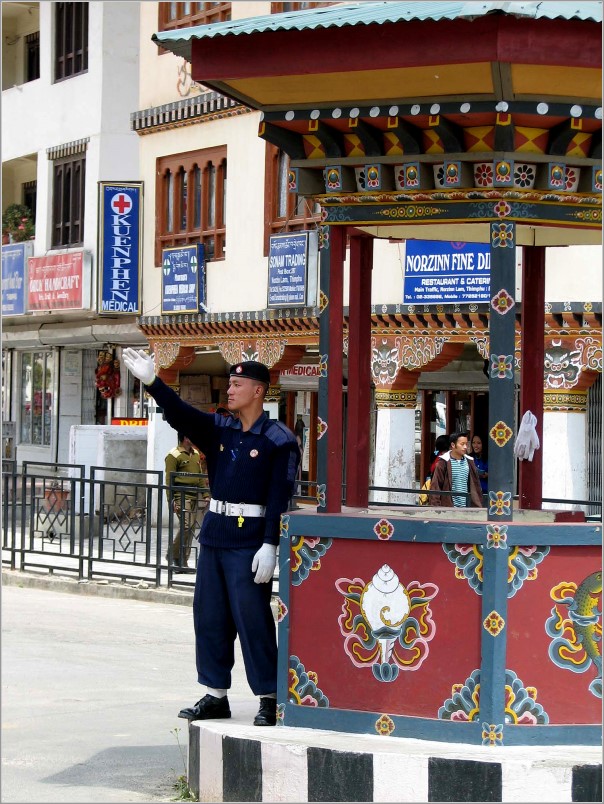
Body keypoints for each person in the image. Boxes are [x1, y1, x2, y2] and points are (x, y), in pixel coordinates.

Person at [123, 348, 300, 727]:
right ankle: (215, 694)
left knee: (253, 621)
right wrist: (153, 382)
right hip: (215, 536)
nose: (230, 390)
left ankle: (269, 697)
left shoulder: (279, 439)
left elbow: (279, 496)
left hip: (250, 541)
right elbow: (181, 414)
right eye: (229, 383)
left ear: (258, 391)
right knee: (209, 617)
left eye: (237, 384)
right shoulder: (221, 428)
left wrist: (271, 544)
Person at [165, 433, 210, 567]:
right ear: (185, 437)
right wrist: (171, 500)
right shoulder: (174, 455)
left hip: (194, 495)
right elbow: (169, 480)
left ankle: (182, 560)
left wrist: (205, 495)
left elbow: (199, 476)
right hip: (181, 495)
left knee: (190, 528)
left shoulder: (195, 454)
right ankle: (174, 554)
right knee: (186, 525)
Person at [429, 431, 483, 508]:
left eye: (466, 444)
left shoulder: (470, 462)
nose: (465, 447)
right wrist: (436, 508)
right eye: (462, 444)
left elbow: (476, 486)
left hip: (466, 508)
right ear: (453, 445)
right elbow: (436, 487)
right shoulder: (443, 462)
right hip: (449, 508)